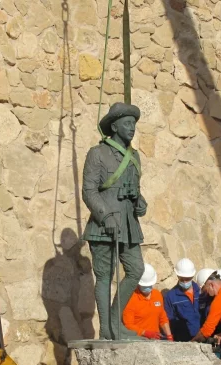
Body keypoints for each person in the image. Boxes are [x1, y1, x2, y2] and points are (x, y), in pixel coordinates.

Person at [81, 102, 148, 340]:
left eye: (134, 124)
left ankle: (115, 321)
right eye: (127, 123)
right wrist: (105, 215)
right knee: (104, 276)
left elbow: (135, 191)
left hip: (129, 226)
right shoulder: (97, 154)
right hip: (103, 226)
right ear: (115, 126)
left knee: (136, 269)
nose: (132, 128)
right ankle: (106, 329)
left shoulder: (134, 157)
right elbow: (89, 191)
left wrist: (140, 202)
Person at [122, 264, 173, 340]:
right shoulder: (130, 298)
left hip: (156, 340)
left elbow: (162, 318)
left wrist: (169, 335)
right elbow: (128, 325)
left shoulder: (157, 295)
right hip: (138, 340)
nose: (147, 288)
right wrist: (145, 333)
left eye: (149, 285)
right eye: (144, 286)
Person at [163, 258, 201, 342]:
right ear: (177, 276)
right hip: (184, 339)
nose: (184, 282)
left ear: (192, 276)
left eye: (187, 279)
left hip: (202, 336)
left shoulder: (201, 291)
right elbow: (169, 320)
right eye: (181, 279)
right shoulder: (170, 296)